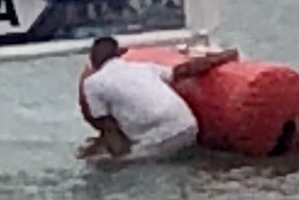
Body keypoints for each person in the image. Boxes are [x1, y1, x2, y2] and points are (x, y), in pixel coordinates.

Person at [77, 36, 241, 163]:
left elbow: (109, 129)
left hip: (160, 137)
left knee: (103, 162)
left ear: (92, 60)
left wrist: (119, 160)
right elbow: (185, 70)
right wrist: (221, 58)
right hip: (188, 126)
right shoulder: (142, 67)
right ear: (120, 53)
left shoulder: (92, 83)